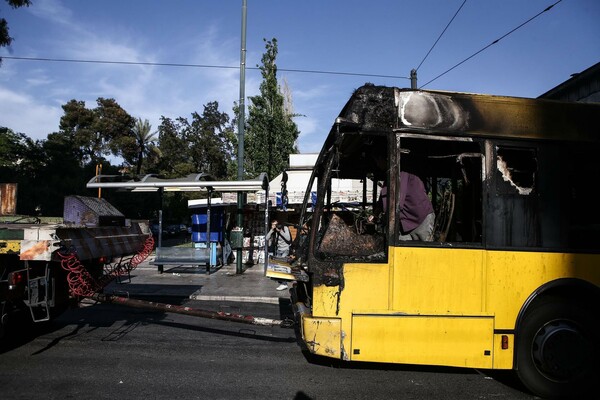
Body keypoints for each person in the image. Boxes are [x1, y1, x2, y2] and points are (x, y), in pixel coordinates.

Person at [398, 171, 435, 241]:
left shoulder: (403, 172)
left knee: (425, 248)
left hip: (421, 217)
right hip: (405, 220)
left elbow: (398, 200)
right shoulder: (391, 175)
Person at [265, 219, 292, 291]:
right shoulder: (274, 231)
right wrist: (272, 230)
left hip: (286, 249)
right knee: (279, 265)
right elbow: (267, 238)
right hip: (279, 250)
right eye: (273, 225)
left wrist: (280, 231)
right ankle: (282, 280)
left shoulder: (284, 228)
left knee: (283, 266)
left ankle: (284, 284)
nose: (275, 226)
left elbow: (288, 238)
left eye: (276, 224)